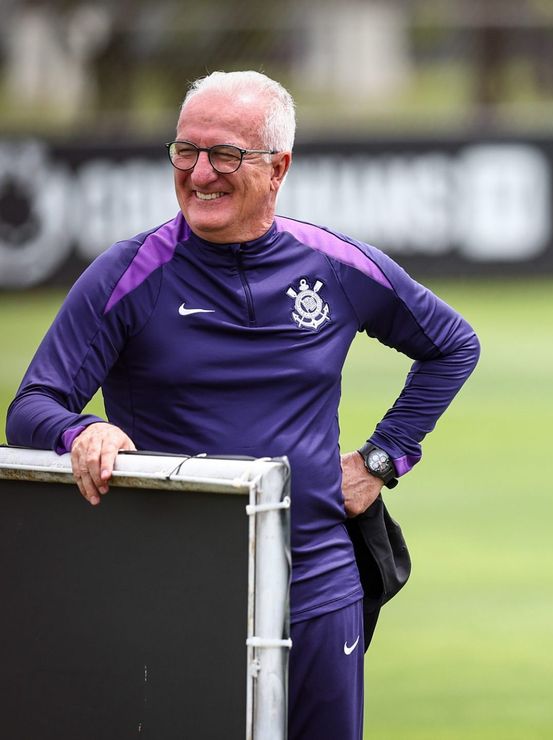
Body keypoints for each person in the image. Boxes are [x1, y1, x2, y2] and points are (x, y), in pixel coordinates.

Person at [5, 70, 480, 740]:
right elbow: (32, 405)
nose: (200, 173)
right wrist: (81, 430)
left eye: (225, 154)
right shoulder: (128, 273)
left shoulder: (333, 265)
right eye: (185, 151)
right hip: (178, 593)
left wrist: (381, 459)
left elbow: (453, 345)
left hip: (318, 585)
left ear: (278, 167)